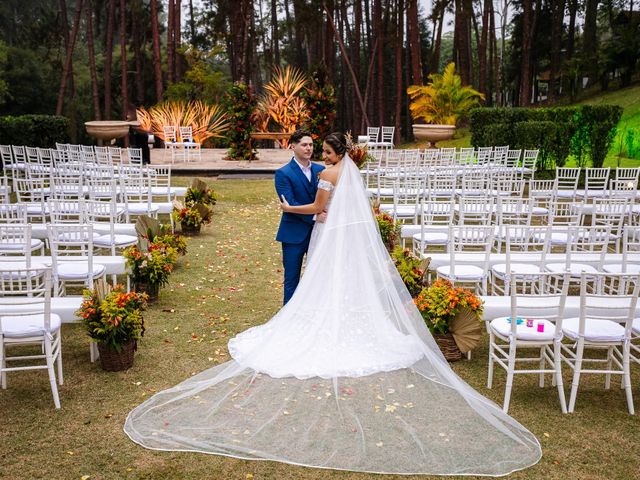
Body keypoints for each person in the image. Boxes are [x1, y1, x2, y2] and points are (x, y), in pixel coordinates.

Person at [124, 132, 542, 476]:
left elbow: (317, 208)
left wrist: (291, 208)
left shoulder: (329, 174)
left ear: (335, 152)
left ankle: (314, 322)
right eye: (316, 150)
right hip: (341, 237)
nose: (320, 155)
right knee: (341, 284)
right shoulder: (352, 172)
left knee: (321, 283)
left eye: (324, 150)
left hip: (325, 234)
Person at [274, 129, 325, 304]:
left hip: (319, 233)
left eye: (311, 144)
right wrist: (314, 216)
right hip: (293, 235)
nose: (308, 148)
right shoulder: (283, 173)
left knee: (318, 278)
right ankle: (287, 319)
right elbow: (290, 204)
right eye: (304, 144)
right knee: (291, 280)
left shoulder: (321, 170)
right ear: (293, 146)